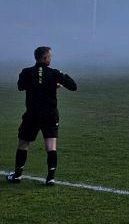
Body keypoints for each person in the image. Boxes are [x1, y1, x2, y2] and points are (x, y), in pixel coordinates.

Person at [7, 46, 78, 185]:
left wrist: (36, 86)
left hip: (32, 114)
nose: (51, 58)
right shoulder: (55, 73)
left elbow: (20, 86)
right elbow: (73, 86)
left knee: (23, 144)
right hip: (50, 115)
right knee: (51, 146)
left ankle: (17, 176)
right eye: (50, 56)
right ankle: (50, 178)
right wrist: (61, 77)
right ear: (45, 58)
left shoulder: (26, 72)